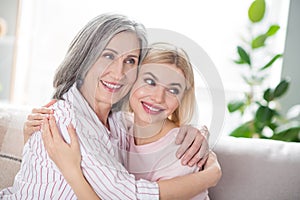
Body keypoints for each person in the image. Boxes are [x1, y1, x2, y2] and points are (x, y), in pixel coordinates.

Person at [0, 13, 220, 199]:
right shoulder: (66, 119)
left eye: (130, 61)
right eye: (108, 55)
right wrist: (210, 176)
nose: (118, 72)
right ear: (84, 58)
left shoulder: (116, 122)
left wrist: (198, 134)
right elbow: (127, 194)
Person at [41, 42, 219, 199]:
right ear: (132, 80)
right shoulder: (117, 124)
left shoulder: (183, 151)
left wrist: (72, 172)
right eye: (150, 81)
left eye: (173, 90)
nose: (158, 98)